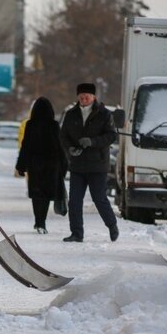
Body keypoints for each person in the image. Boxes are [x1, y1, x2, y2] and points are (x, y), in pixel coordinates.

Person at [59, 83, 119, 243]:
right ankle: (76, 233)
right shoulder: (71, 114)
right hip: (77, 164)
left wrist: (92, 142)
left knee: (99, 198)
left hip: (98, 165)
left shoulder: (104, 114)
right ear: (77, 97)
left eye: (87, 96)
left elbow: (112, 136)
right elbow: (63, 135)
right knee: (74, 201)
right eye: (81, 97)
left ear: (94, 97)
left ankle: (112, 225)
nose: (84, 99)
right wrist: (70, 148)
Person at [15, 97, 68, 234]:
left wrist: (21, 166)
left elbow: (25, 146)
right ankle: (42, 223)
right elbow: (59, 146)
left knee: (37, 195)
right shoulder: (54, 125)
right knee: (46, 195)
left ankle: (38, 222)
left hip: (35, 165)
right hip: (52, 164)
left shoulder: (30, 125)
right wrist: (64, 165)